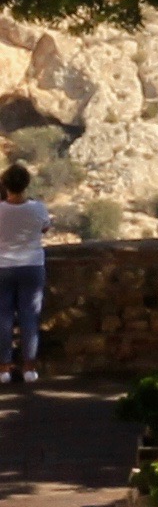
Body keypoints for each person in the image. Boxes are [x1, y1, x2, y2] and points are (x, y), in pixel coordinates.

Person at [0, 163, 44, 389]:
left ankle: (4, 369)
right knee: (30, 316)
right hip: (32, 265)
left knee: (3, 318)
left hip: (3, 267)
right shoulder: (37, 208)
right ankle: (29, 368)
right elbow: (44, 228)